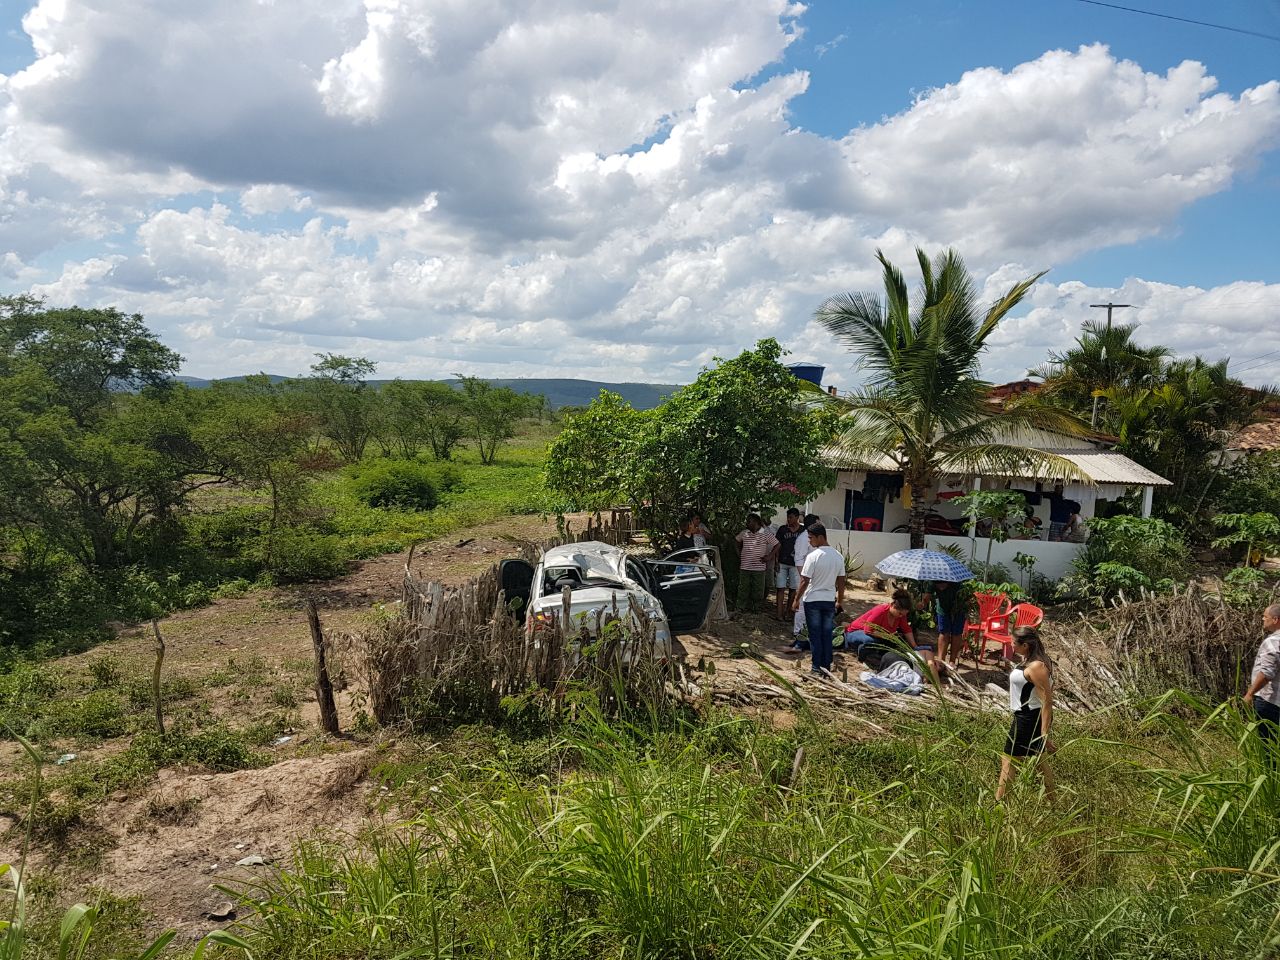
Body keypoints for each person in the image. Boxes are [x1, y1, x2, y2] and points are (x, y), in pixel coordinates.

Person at [996, 626, 1055, 801]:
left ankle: (998, 804)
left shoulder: (1036, 666)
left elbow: (1047, 700)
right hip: (1026, 716)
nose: (1011, 645)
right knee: (1040, 763)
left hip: (1028, 718)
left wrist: (1044, 733)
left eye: (1014, 643)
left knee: (1008, 761)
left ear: (1026, 645)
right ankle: (1054, 804)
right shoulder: (1030, 661)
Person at [791, 523, 846, 675]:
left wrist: (796, 600)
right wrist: (839, 600)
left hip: (813, 601)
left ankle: (816, 668)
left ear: (820, 537)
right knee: (827, 634)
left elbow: (804, 581)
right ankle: (826, 667)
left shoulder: (813, 556)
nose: (809, 541)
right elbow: (841, 581)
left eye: (811, 538)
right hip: (829, 601)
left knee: (815, 635)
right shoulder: (838, 556)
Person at [781, 513, 820, 651]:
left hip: (811, 576)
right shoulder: (803, 539)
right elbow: (799, 559)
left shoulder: (812, 539)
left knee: (809, 605)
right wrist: (804, 577)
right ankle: (798, 634)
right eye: (818, 523)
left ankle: (806, 633)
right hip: (804, 576)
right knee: (801, 605)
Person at [1243, 603, 1280, 744]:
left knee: (1267, 746)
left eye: (1265, 617)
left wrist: (1250, 694)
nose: (1263, 619)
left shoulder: (1272, 642)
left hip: (1269, 702)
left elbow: (1266, 673)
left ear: (1275, 620)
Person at [734, 514, 778, 613]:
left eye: (749, 521)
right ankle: (740, 607)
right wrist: (739, 554)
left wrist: (770, 556)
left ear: (756, 522)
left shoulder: (766, 533)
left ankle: (756, 608)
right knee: (743, 588)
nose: (747, 523)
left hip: (759, 568)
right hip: (745, 566)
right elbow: (736, 541)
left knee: (758, 589)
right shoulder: (745, 533)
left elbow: (777, 545)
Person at [925, 580, 968, 666]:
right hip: (942, 608)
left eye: (943, 584)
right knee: (944, 633)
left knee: (956, 633)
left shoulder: (957, 582)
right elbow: (927, 597)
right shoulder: (932, 580)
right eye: (938, 584)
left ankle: (952, 661)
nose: (940, 586)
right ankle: (941, 661)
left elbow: (965, 598)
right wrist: (923, 602)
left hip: (959, 608)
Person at [774, 508, 803, 620]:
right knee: (780, 588)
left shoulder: (803, 531)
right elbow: (778, 546)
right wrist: (776, 561)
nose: (789, 519)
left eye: (791, 517)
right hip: (782, 563)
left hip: (796, 565)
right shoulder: (782, 529)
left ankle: (788, 613)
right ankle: (779, 614)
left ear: (797, 517)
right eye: (788, 517)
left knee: (793, 589)